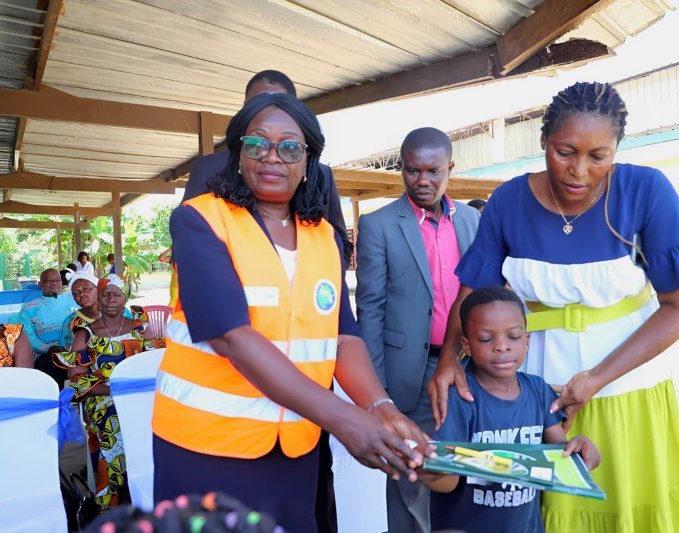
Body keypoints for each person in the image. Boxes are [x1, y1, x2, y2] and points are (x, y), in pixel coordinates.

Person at [429, 81, 679, 531]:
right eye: (565, 151)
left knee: (634, 508)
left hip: (628, 390)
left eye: (598, 156)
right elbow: (473, 292)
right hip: (539, 396)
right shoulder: (507, 202)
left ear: (616, 150)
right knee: (550, 512)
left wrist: (597, 379)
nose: (579, 170)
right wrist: (448, 361)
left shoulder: (646, 191)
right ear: (543, 141)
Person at [151, 92, 431, 532]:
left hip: (294, 448)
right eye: (257, 144)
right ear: (239, 155)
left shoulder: (323, 236)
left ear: (307, 163)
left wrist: (382, 408)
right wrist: (343, 420)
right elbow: (230, 336)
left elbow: (343, 335)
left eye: (290, 147)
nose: (272, 157)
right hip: (205, 447)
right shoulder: (201, 220)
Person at [354, 127, 479, 532]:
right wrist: (376, 391)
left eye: (432, 171)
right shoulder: (380, 225)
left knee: (465, 470)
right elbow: (370, 308)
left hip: (467, 368)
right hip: (411, 373)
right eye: (411, 171)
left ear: (450, 169)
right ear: (401, 169)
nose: (422, 181)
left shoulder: (473, 219)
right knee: (412, 480)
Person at [419, 286, 600, 533]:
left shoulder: (537, 390)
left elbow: (558, 453)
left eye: (513, 336)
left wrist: (580, 451)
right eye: (486, 338)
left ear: (527, 340)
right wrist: (429, 472)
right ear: (467, 344)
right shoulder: (460, 397)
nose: (501, 346)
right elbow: (447, 482)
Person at [182, 69, 351, 262]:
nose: (272, 158)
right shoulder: (207, 169)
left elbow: (340, 244)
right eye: (258, 103)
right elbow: (189, 240)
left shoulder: (320, 174)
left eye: (279, 103)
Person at [54, 274, 164, 512]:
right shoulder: (86, 334)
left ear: (125, 299)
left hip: (140, 395)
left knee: (164, 419)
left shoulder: (140, 329)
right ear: (99, 300)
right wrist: (115, 390)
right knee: (114, 419)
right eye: (106, 294)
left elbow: (157, 365)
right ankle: (115, 494)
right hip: (103, 397)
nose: (111, 299)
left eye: (117, 294)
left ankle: (152, 489)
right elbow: (76, 378)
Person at [19, 268, 76, 389]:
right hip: (45, 353)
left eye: (57, 280)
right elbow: (29, 337)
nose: (54, 283)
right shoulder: (29, 308)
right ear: (40, 284)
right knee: (53, 364)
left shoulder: (74, 300)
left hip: (75, 349)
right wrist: (49, 348)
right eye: (48, 281)